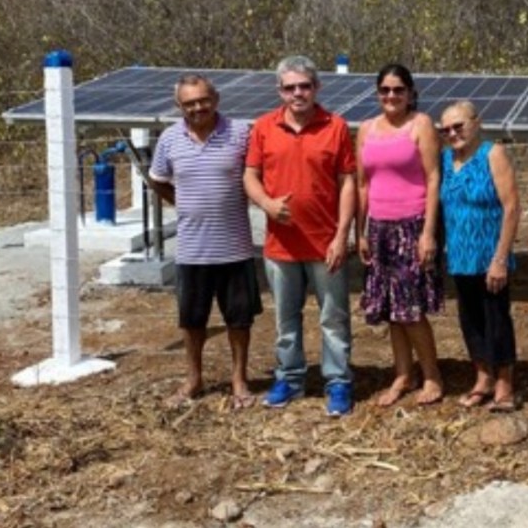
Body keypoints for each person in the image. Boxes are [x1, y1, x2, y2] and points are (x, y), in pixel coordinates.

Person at [243, 55, 357, 417]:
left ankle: (338, 381)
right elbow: (250, 175)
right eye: (290, 87)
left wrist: (342, 235)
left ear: (316, 88)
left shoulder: (335, 126)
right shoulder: (263, 127)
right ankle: (290, 378)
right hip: (280, 246)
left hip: (326, 243)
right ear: (280, 91)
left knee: (334, 318)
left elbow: (347, 183)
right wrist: (266, 204)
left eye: (304, 86)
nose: (298, 93)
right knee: (286, 319)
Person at [148, 73, 262, 410]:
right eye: (189, 103)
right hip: (192, 251)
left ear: (216, 99)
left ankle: (239, 379)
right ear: (178, 105)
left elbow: (257, 172)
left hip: (236, 246)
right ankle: (194, 379)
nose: (198, 107)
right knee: (192, 320)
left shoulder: (241, 133)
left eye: (203, 100)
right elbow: (157, 179)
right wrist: (182, 201)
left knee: (239, 320)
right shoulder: (169, 139)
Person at [356, 64, 445, 407]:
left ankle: (432, 375)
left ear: (410, 93)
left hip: (412, 224)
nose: (391, 96)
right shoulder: (365, 129)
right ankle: (403, 374)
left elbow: (433, 178)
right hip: (378, 228)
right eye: (385, 90)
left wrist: (428, 233)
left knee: (411, 308)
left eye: (398, 90)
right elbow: (363, 184)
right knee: (392, 308)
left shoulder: (420, 124)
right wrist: (360, 232)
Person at [438, 100, 521, 412]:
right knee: (470, 318)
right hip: (460, 255)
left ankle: (504, 382)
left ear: (476, 122)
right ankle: (482, 377)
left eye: (458, 126)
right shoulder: (446, 159)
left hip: (490, 254)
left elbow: (512, 207)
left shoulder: (492, 154)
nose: (453, 133)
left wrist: (500, 259)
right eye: (446, 129)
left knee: (495, 317)